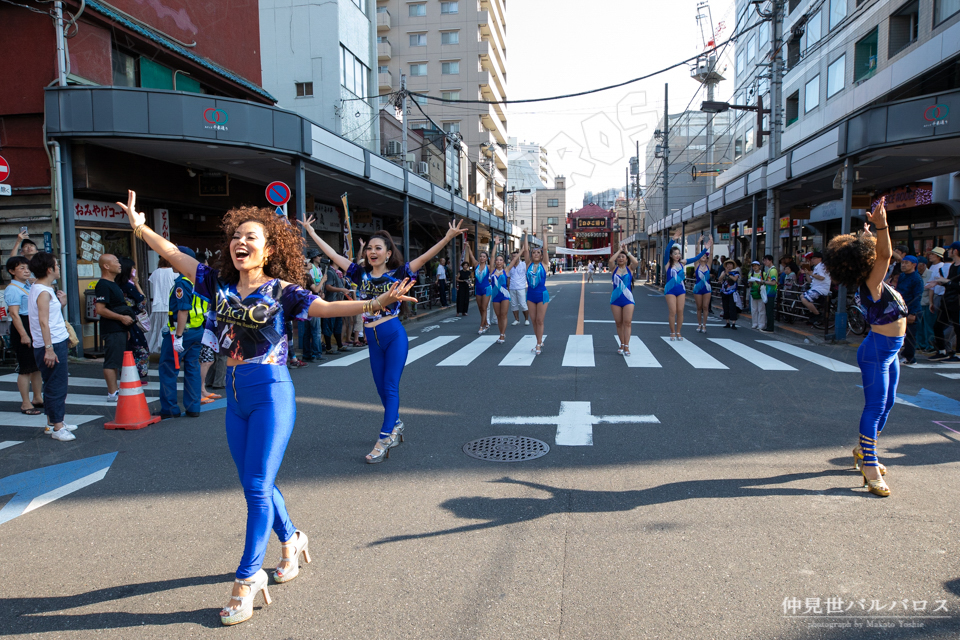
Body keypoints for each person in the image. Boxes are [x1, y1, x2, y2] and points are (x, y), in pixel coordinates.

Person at [119, 190, 414, 625]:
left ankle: (247, 578)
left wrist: (375, 304)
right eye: (236, 236)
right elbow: (169, 251)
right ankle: (291, 538)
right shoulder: (214, 281)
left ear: (268, 248)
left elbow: (327, 307)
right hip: (236, 394)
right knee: (254, 482)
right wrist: (139, 226)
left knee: (257, 486)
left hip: (272, 391)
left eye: (250, 237)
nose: (240, 242)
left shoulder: (283, 291)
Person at [302, 213, 460, 463]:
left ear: (388, 253)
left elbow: (425, 257)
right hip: (372, 339)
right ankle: (396, 424)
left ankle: (385, 438)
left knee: (389, 386)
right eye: (370, 249)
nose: (372, 252)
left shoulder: (399, 273)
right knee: (380, 389)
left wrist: (448, 238)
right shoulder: (359, 274)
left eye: (379, 248)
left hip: (393, 335)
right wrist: (312, 234)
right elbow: (333, 256)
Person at [822, 197, 904, 497]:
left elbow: (881, 252)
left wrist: (871, 233)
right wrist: (881, 225)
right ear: (862, 260)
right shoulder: (871, 281)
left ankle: (863, 449)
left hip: (888, 350)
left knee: (889, 403)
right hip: (877, 353)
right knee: (875, 407)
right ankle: (869, 466)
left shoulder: (872, 279)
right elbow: (886, 253)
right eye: (865, 247)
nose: (871, 247)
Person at [27, 252, 76, 441]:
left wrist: (61, 303)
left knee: (51, 383)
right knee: (57, 385)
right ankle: (57, 427)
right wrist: (49, 348)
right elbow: (43, 321)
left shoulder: (40, 288)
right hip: (51, 343)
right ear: (49, 269)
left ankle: (54, 422)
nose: (58, 268)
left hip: (52, 341)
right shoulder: (43, 292)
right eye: (56, 265)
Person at [157, 246, 206, 419]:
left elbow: (183, 311)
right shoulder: (198, 281)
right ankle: (193, 407)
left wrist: (177, 336)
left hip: (182, 333)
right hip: (198, 330)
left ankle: (170, 408)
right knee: (192, 367)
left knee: (168, 369)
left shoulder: (182, 283)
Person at [94, 254, 135, 403]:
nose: (119, 264)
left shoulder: (113, 283)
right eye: (116, 262)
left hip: (120, 329)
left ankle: (118, 389)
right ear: (106, 266)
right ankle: (112, 393)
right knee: (112, 361)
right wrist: (121, 318)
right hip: (112, 328)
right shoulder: (103, 285)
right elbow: (100, 309)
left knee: (119, 360)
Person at [5, 257, 43, 414]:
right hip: (23, 326)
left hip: (32, 325)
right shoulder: (13, 289)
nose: (26, 270)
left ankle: (38, 398)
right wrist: (24, 334)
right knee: (26, 367)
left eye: (27, 267)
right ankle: (26, 403)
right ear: (12, 271)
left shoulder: (28, 286)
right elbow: (14, 314)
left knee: (36, 366)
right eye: (21, 268)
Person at [663, 229, 711, 341]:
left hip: (681, 290)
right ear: (671, 255)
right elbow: (666, 251)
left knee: (680, 311)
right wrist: (673, 239)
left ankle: (678, 332)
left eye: (678, 253)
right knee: (672, 311)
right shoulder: (668, 264)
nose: (677, 255)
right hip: (670, 290)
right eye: (675, 254)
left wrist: (706, 249)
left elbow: (696, 258)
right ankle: (672, 332)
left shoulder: (682, 262)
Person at [118, 257, 150, 381]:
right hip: (133, 319)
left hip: (123, 319)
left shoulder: (117, 285)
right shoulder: (129, 286)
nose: (134, 270)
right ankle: (138, 375)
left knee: (127, 349)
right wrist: (136, 283)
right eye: (132, 268)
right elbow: (142, 301)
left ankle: (126, 375)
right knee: (139, 347)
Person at [930, 242, 960, 362]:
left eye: (950, 249)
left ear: (956, 251)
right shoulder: (953, 266)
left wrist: (946, 281)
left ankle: (957, 353)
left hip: (957, 302)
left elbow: (956, 285)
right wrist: (939, 282)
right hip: (947, 301)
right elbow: (951, 283)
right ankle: (942, 351)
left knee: (958, 328)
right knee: (937, 326)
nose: (948, 251)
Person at [522, 231, 550, 355]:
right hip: (531, 295)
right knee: (533, 321)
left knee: (540, 320)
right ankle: (539, 339)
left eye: (538, 252)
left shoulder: (544, 264)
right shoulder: (528, 264)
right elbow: (526, 250)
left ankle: (538, 343)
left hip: (542, 295)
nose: (536, 254)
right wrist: (526, 235)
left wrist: (544, 234)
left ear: (541, 255)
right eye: (534, 252)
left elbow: (545, 248)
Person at [608, 248, 638, 355]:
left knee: (627, 322)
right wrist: (619, 250)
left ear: (626, 259)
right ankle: (621, 343)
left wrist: (627, 252)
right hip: (615, 299)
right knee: (619, 323)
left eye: (623, 257)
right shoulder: (614, 269)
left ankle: (627, 346)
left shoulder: (630, 269)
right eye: (619, 257)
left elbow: (636, 262)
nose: (620, 258)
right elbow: (610, 261)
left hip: (628, 299)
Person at [895, 255, 923, 365]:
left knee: (910, 335)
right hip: (901, 308)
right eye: (903, 263)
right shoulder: (902, 276)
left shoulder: (916, 278)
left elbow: (917, 297)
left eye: (907, 263)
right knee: (900, 333)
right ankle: (904, 355)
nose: (904, 265)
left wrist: (913, 313)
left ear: (913, 265)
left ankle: (910, 358)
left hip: (912, 310)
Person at [490, 239, 516, 344]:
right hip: (495, 296)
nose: (498, 261)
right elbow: (491, 257)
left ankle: (502, 335)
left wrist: (523, 250)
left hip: (505, 295)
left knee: (504, 315)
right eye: (497, 260)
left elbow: (514, 261)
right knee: (498, 316)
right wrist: (495, 245)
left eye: (501, 260)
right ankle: (501, 332)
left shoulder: (506, 270)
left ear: (503, 262)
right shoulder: (492, 269)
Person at [147, 257, 176, 353]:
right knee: (168, 328)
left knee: (156, 329)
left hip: (157, 305)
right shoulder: (174, 273)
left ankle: (154, 348)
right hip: (169, 305)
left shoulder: (155, 272)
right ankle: (164, 347)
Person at [925, 248, 948, 359]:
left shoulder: (942, 266)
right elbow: (932, 286)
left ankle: (943, 347)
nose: (930, 256)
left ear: (939, 256)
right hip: (937, 296)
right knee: (936, 323)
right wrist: (931, 301)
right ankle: (939, 347)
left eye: (933, 254)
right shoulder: (933, 267)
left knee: (942, 324)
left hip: (943, 296)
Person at [464, 244, 491, 333]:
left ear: (486, 258)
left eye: (484, 256)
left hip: (486, 289)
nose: (482, 258)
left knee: (484, 307)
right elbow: (471, 256)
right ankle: (486, 323)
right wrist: (468, 246)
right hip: (478, 289)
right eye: (481, 256)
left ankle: (481, 326)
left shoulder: (489, 267)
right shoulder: (476, 265)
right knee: (480, 308)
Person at [800, 251, 831, 325]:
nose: (812, 260)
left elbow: (822, 277)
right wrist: (807, 273)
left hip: (821, 289)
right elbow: (810, 280)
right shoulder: (816, 267)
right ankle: (813, 314)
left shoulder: (822, 266)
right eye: (812, 258)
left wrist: (811, 274)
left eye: (814, 258)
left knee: (805, 299)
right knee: (802, 296)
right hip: (815, 288)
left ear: (820, 259)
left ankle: (817, 315)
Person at [917, 256, 935, 353]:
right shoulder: (916, 274)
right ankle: (920, 344)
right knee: (919, 326)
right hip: (918, 304)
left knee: (928, 326)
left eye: (917, 265)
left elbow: (932, 290)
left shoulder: (930, 274)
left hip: (927, 303)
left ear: (923, 265)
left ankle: (930, 345)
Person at [508, 249, 530, 326]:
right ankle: (516, 319)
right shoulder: (510, 266)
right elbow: (508, 278)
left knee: (523, 304)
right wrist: (508, 288)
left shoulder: (523, 264)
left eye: (516, 256)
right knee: (514, 305)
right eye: (513, 257)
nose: (514, 258)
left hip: (521, 287)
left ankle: (526, 319)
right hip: (512, 287)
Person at [692, 251, 712, 333]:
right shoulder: (697, 265)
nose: (703, 257)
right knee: (699, 307)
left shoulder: (708, 265)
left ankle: (704, 325)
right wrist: (698, 242)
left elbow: (712, 254)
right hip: (698, 288)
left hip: (707, 288)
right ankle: (699, 324)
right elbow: (696, 252)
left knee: (705, 306)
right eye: (702, 256)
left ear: (707, 258)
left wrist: (711, 244)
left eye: (705, 256)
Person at [719, 259, 741, 329]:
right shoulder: (723, 272)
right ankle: (727, 322)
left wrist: (729, 274)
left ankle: (733, 323)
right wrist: (725, 273)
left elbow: (735, 279)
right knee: (725, 307)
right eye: (728, 264)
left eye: (730, 264)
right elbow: (720, 279)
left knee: (732, 307)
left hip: (732, 292)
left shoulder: (736, 272)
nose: (729, 266)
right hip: (724, 291)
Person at [761, 255, 778, 333]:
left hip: (771, 292)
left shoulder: (772, 270)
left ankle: (770, 328)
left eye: (765, 260)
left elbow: (773, 282)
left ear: (770, 260)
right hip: (768, 292)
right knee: (768, 310)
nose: (764, 262)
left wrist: (763, 282)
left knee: (769, 311)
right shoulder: (770, 270)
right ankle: (769, 327)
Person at [747, 261, 766, 330]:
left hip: (761, 293)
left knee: (761, 309)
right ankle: (754, 323)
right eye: (753, 266)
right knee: (754, 309)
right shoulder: (751, 274)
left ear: (759, 266)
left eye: (756, 265)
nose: (755, 267)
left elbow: (765, 282)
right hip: (753, 293)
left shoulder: (763, 274)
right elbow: (749, 284)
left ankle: (761, 324)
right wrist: (750, 282)